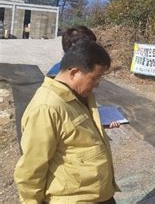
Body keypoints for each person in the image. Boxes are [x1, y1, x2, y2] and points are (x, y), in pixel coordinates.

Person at [14, 40, 120, 203]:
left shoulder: (81, 96)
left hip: (100, 195)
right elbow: (31, 169)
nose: (97, 85)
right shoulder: (47, 107)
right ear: (74, 73)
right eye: (95, 78)